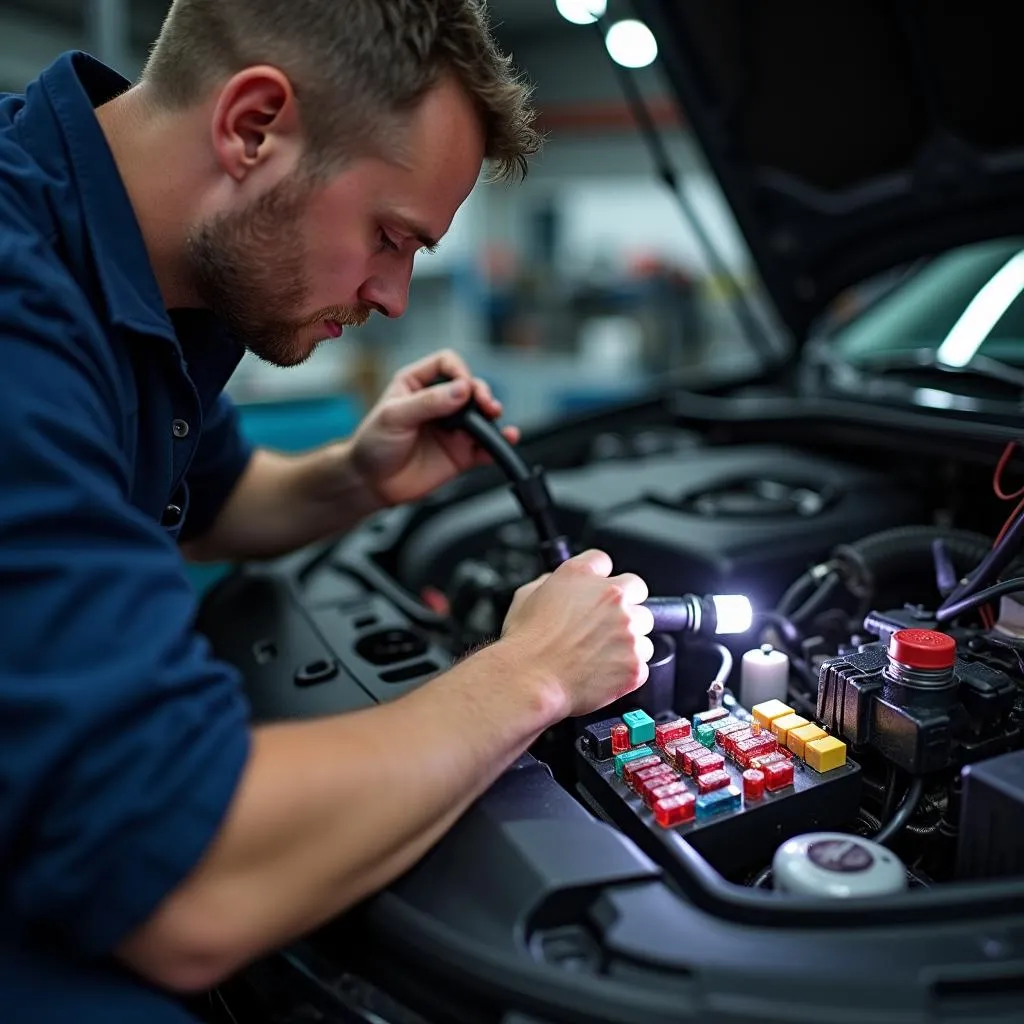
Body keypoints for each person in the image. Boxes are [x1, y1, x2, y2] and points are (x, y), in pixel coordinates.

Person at [0, 1, 655, 1021]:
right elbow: (188, 883)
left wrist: (355, 474)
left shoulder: (135, 260)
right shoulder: (20, 320)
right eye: (390, 237)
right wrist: (533, 671)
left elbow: (208, 504)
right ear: (253, 126)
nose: (394, 295)